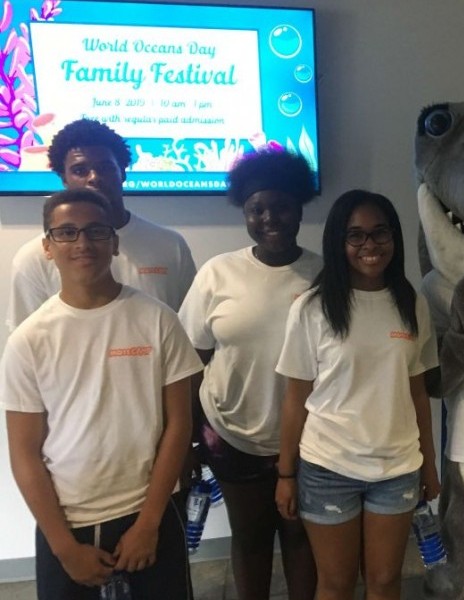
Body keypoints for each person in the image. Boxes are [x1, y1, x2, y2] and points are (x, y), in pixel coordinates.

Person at [2, 189, 203, 599]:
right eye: (67, 232)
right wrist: (64, 547)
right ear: (47, 247)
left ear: (114, 242)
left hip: (151, 512)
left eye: (96, 231)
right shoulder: (29, 340)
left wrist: (148, 524)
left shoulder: (158, 320)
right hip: (68, 522)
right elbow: (24, 452)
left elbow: (179, 425)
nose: (82, 243)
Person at [274, 190, 441, 600]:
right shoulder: (312, 308)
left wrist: (430, 465)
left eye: (380, 232)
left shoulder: (411, 303)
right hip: (328, 467)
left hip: (397, 467)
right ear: (339, 241)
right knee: (336, 584)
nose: (370, 244)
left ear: (394, 236)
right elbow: (295, 399)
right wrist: (286, 474)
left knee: (384, 581)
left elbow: (417, 393)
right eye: (356, 235)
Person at [177, 149, 320, 600]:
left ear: (299, 209)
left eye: (281, 206)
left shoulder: (324, 274)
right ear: (244, 212)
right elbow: (190, 362)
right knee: (250, 536)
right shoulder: (218, 273)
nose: (269, 218)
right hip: (231, 434)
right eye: (257, 209)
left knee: (300, 535)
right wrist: (189, 440)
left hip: (307, 437)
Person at [7, 118, 196, 331]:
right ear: (64, 179)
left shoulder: (170, 245)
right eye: (80, 170)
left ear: (122, 173)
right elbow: (28, 340)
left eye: (105, 168)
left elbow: (190, 330)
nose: (94, 178)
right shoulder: (34, 257)